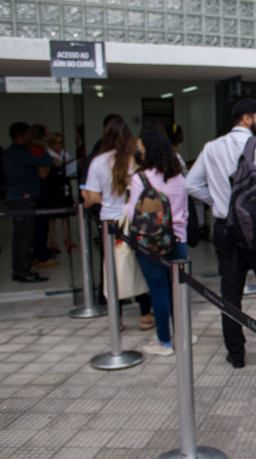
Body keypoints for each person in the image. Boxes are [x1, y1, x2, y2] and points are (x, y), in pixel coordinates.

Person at [185, 98, 256, 370]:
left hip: (225, 228)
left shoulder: (211, 147)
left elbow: (191, 185)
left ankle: (236, 354)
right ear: (246, 119)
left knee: (230, 293)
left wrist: (220, 202)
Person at [84, 118, 153, 330]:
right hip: (133, 220)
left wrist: (107, 199)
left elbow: (92, 197)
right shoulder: (136, 161)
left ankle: (118, 318)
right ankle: (145, 315)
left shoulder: (98, 162)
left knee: (112, 270)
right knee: (139, 266)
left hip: (110, 222)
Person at [124, 131, 188, 356]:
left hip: (150, 243)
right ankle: (182, 335)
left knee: (159, 292)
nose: (138, 153)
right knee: (177, 291)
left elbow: (133, 214)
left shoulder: (140, 178)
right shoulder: (179, 176)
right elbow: (185, 210)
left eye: (140, 149)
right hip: (178, 239)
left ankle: (164, 342)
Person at [1, 122, 52, 282]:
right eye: (29, 134)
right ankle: (23, 271)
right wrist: (42, 147)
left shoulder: (9, 152)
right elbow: (45, 161)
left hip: (16, 197)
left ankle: (19, 270)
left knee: (20, 236)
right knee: (25, 237)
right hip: (24, 199)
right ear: (22, 135)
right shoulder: (21, 153)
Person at [28, 125, 58, 268]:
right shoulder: (36, 150)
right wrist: (48, 159)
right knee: (40, 225)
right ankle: (41, 256)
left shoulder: (36, 149)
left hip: (40, 191)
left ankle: (39, 252)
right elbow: (43, 174)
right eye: (45, 136)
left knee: (40, 225)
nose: (47, 139)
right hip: (40, 191)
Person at [45, 132, 76, 252]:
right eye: (57, 143)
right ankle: (52, 240)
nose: (60, 145)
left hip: (64, 184)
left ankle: (68, 238)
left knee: (66, 213)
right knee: (52, 215)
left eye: (61, 142)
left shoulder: (65, 154)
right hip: (52, 186)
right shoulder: (48, 154)